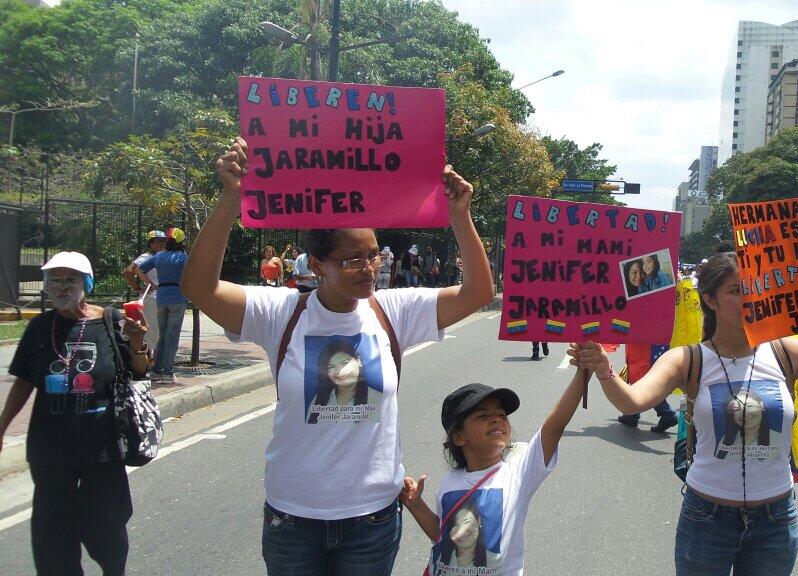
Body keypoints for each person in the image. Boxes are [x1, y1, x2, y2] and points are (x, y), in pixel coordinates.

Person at [181, 136, 494, 575]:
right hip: (293, 517)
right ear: (317, 264)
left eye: (372, 256)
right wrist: (231, 200)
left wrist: (460, 216)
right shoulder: (281, 313)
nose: (368, 269)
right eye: (351, 260)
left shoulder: (393, 312)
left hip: (372, 517)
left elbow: (479, 292)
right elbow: (199, 288)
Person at [571, 252, 798, 576]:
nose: (750, 299)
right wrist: (604, 370)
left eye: (755, 289)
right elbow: (633, 402)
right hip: (706, 519)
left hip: (775, 521)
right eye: (737, 291)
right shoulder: (687, 360)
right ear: (710, 300)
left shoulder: (789, 352)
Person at [0, 251, 149, 575]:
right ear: (45, 286)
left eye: (71, 280)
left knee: (107, 527)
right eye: (55, 280)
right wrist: (1, 428)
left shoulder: (111, 321)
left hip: (102, 450)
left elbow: (138, 371)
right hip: (49, 451)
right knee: (53, 537)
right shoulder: (40, 327)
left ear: (87, 283)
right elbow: (24, 381)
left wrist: (137, 342)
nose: (62, 287)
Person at [400, 370, 588, 576]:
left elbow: (554, 427)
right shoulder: (450, 481)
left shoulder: (518, 473)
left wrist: (582, 374)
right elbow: (443, 536)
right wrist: (416, 505)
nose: (497, 420)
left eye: (501, 415)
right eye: (482, 415)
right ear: (459, 437)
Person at [139, 228, 188, 383]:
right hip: (177, 296)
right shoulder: (183, 257)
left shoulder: (159, 256)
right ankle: (168, 372)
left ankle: (156, 370)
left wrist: (151, 284)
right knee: (172, 336)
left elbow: (139, 270)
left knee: (162, 336)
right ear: (180, 242)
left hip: (161, 296)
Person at [124, 229, 166, 350]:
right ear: (151, 243)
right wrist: (139, 288)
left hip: (161, 298)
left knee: (159, 330)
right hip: (151, 299)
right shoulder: (146, 257)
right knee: (152, 331)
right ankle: (149, 358)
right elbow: (128, 272)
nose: (162, 244)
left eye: (164, 241)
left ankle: (155, 357)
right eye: (159, 241)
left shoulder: (162, 256)